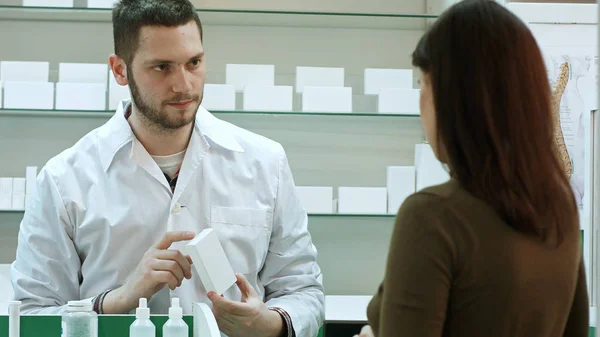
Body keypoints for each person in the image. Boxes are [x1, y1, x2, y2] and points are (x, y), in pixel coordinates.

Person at [11, 1, 324, 336]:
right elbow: (33, 316)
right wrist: (117, 301)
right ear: (120, 70)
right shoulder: (64, 180)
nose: (184, 85)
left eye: (194, 63)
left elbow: (303, 291)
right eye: (162, 67)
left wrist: (270, 323)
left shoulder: (265, 163)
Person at [359, 1, 589, 336]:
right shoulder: (559, 205)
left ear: (455, 98)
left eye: (423, 83)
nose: (420, 100)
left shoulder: (432, 216)